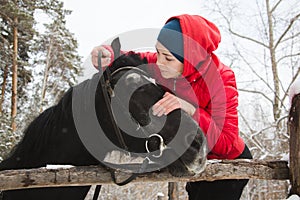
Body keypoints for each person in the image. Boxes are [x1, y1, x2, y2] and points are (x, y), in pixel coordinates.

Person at [91, 14, 252, 200]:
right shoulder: (166, 65)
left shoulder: (222, 79)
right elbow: (137, 58)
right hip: (195, 154)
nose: (159, 62)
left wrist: (190, 109)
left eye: (167, 57)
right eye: (158, 52)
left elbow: (226, 142)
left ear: (190, 58)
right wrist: (110, 54)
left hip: (229, 163)